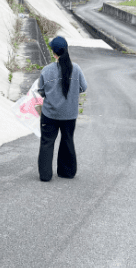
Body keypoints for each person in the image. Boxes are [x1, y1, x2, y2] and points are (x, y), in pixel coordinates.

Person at [37, 36, 88, 182]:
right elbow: (83, 87)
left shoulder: (46, 71)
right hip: (69, 114)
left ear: (54, 52)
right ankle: (67, 172)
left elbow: (41, 91)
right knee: (67, 140)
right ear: (66, 50)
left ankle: (45, 175)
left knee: (47, 142)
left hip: (50, 113)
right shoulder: (76, 69)